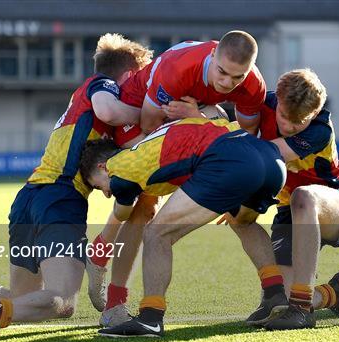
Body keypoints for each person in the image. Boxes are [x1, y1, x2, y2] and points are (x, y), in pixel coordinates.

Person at [0, 33, 153, 341]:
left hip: (29, 199)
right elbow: (110, 111)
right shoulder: (103, 85)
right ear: (128, 75)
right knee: (60, 301)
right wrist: (149, 115)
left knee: (22, 296)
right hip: (59, 199)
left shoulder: (79, 106)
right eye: (138, 80)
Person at [89, 30, 268, 326]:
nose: (226, 83)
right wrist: (198, 117)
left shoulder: (253, 85)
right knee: (144, 206)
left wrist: (197, 116)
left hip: (183, 126)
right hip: (143, 126)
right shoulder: (178, 67)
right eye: (222, 72)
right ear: (212, 56)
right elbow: (148, 123)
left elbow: (245, 135)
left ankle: (275, 292)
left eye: (236, 78)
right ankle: (112, 290)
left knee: (230, 192)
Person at [79, 116, 288, 337]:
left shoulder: (118, 169)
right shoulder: (152, 140)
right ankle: (274, 293)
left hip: (228, 160)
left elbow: (122, 213)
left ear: (102, 166)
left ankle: (150, 317)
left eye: (97, 185)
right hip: (270, 159)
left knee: (156, 233)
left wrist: (99, 250)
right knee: (242, 221)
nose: (105, 193)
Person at [222, 69, 339, 330]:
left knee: (303, 196)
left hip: (338, 204)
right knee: (235, 213)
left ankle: (301, 310)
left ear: (314, 112)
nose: (288, 126)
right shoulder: (263, 104)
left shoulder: (319, 128)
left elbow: (267, 153)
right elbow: (225, 117)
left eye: (298, 123)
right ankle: (330, 294)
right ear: (278, 101)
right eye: (284, 116)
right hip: (289, 211)